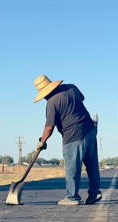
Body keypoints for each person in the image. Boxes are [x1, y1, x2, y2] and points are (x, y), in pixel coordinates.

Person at [34, 75, 101, 206]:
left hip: (73, 135)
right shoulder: (71, 87)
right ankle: (94, 193)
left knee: (72, 168)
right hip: (89, 129)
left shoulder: (51, 102)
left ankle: (72, 197)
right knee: (92, 165)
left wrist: (42, 141)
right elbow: (82, 98)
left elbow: (49, 127)